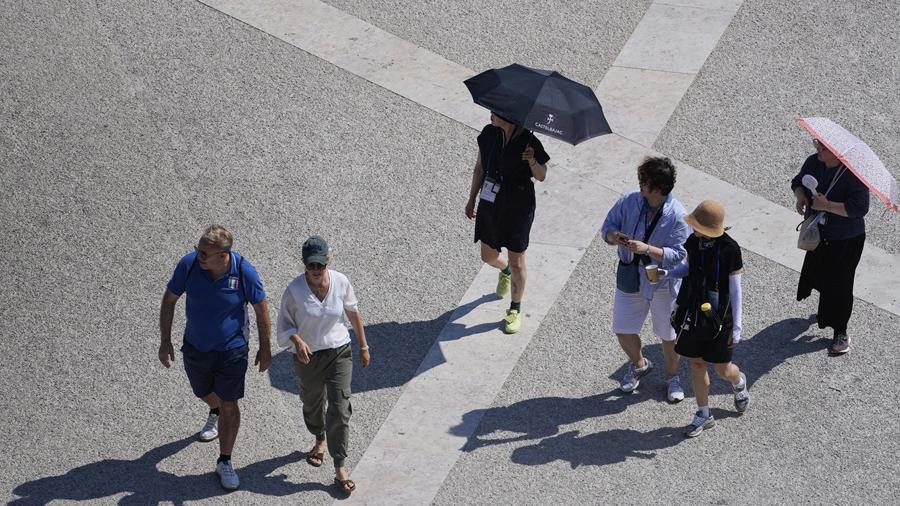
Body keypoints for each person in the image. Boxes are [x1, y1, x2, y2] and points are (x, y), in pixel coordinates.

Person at [158, 225, 272, 490]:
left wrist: (264, 348)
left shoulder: (244, 271)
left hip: (232, 351)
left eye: (204, 254)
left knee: (230, 402)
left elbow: (261, 307)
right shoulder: (189, 265)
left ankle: (225, 460)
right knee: (203, 391)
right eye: (199, 251)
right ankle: (214, 409)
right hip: (196, 348)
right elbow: (170, 299)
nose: (199, 256)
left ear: (223, 255)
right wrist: (165, 341)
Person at [277, 236, 370, 496]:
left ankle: (340, 465)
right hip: (308, 358)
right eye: (311, 266)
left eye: (320, 265)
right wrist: (296, 340)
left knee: (340, 407)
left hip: (339, 351)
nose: (316, 271)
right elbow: (284, 326)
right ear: (304, 265)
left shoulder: (340, 281)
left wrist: (363, 346)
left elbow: (352, 312)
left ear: (328, 260)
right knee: (312, 401)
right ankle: (319, 438)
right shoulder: (294, 290)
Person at [601, 156, 690, 402]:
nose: (640, 186)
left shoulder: (678, 216)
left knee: (668, 336)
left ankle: (673, 377)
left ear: (659, 188)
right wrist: (613, 236)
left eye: (645, 182)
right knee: (622, 329)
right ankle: (640, 364)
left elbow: (680, 254)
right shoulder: (630, 201)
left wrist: (648, 249)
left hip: (661, 280)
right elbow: (606, 228)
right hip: (630, 274)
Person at [665, 200, 749, 438]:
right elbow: (689, 269)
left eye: (697, 225)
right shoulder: (693, 241)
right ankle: (703, 414)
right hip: (694, 311)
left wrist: (737, 327)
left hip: (720, 317)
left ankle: (739, 382)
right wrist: (668, 273)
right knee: (697, 363)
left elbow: (735, 290)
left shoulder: (730, 249)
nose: (693, 229)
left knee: (723, 370)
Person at [465, 111, 550, 334]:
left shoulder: (529, 142)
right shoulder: (488, 134)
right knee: (488, 255)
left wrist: (532, 160)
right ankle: (505, 271)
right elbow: (479, 168)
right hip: (490, 203)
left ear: (509, 117)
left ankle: (515, 308)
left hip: (518, 207)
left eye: (495, 112)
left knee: (518, 262)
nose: (490, 114)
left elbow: (541, 175)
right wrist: (471, 198)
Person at [792, 139, 870, 355]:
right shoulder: (814, 163)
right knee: (819, 275)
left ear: (837, 153)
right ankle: (826, 311)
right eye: (818, 145)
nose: (818, 150)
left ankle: (841, 332)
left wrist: (826, 205)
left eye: (823, 148)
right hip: (820, 234)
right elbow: (797, 181)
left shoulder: (853, 175)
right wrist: (800, 197)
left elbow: (859, 208)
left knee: (841, 285)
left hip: (846, 239)